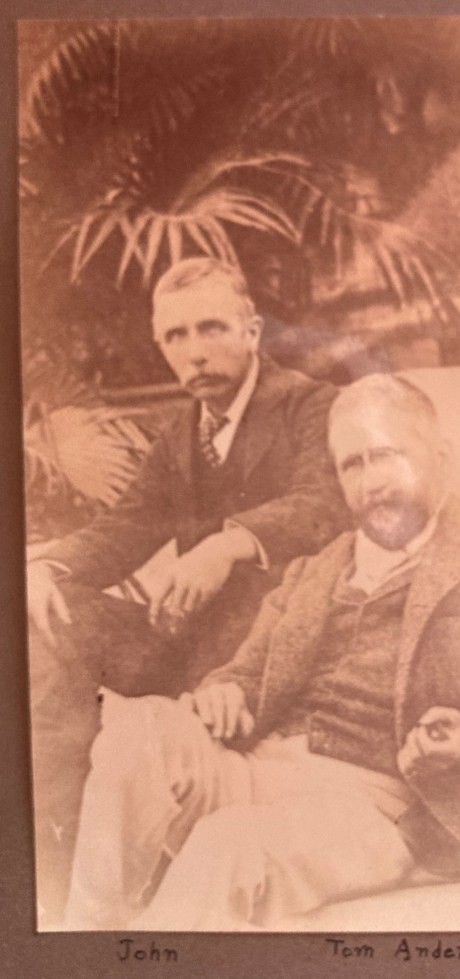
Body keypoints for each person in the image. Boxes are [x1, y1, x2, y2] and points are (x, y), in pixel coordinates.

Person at [64, 373, 460, 931]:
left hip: (376, 805)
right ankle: (87, 943)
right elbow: (244, 670)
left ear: (440, 456)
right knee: (139, 730)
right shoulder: (317, 568)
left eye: (386, 456)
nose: (370, 482)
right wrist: (225, 690)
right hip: (258, 767)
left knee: (228, 844)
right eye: (352, 465)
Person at [27, 256, 347, 921]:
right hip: (184, 647)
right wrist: (45, 569)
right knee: (46, 614)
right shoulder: (181, 433)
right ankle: (57, 847)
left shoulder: (311, 405)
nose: (194, 352)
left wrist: (227, 544)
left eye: (211, 328)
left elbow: (326, 505)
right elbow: (127, 526)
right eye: (176, 336)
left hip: (272, 654)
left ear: (251, 329)